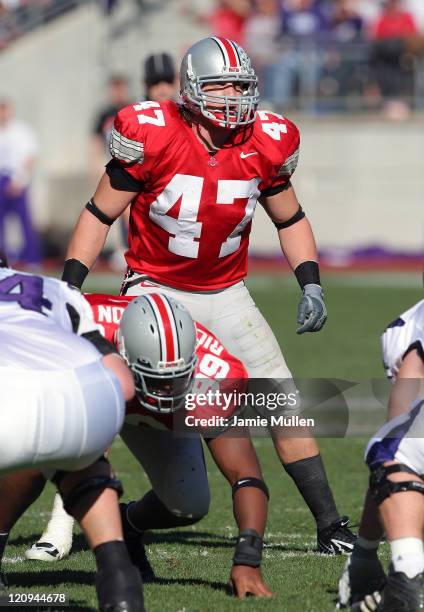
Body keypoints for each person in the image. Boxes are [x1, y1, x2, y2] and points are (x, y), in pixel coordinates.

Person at [61, 35, 355, 554]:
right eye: (220, 85)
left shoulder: (265, 140)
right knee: (142, 412)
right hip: (156, 291)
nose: (232, 96)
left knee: (282, 401)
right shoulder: (154, 134)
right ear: (192, 88)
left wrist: (310, 281)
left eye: (240, 86)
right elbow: (100, 213)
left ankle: (330, 524)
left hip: (227, 292)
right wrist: (70, 285)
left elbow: (291, 218)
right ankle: (80, 509)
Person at [22, 292, 272, 597]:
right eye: (157, 381)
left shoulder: (215, 374)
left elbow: (245, 475)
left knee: (188, 504)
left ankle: (128, 525)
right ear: (122, 353)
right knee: (31, 448)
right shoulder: (80, 334)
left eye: (177, 379)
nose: (166, 392)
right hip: (98, 387)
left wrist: (248, 558)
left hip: (148, 415)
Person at [0, 251, 143, 611]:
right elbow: (123, 382)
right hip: (91, 394)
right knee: (86, 468)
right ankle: (121, 590)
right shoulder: (54, 289)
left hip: (9, 394)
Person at [337, 299, 424, 610]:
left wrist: (364, 553)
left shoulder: (408, 333)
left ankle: (409, 574)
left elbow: (394, 452)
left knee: (388, 449)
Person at [0, 99, 40, 265]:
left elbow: (30, 157)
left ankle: (32, 258)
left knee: (25, 221)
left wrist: (20, 180)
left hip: (17, 179)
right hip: (1, 178)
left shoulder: (22, 131)